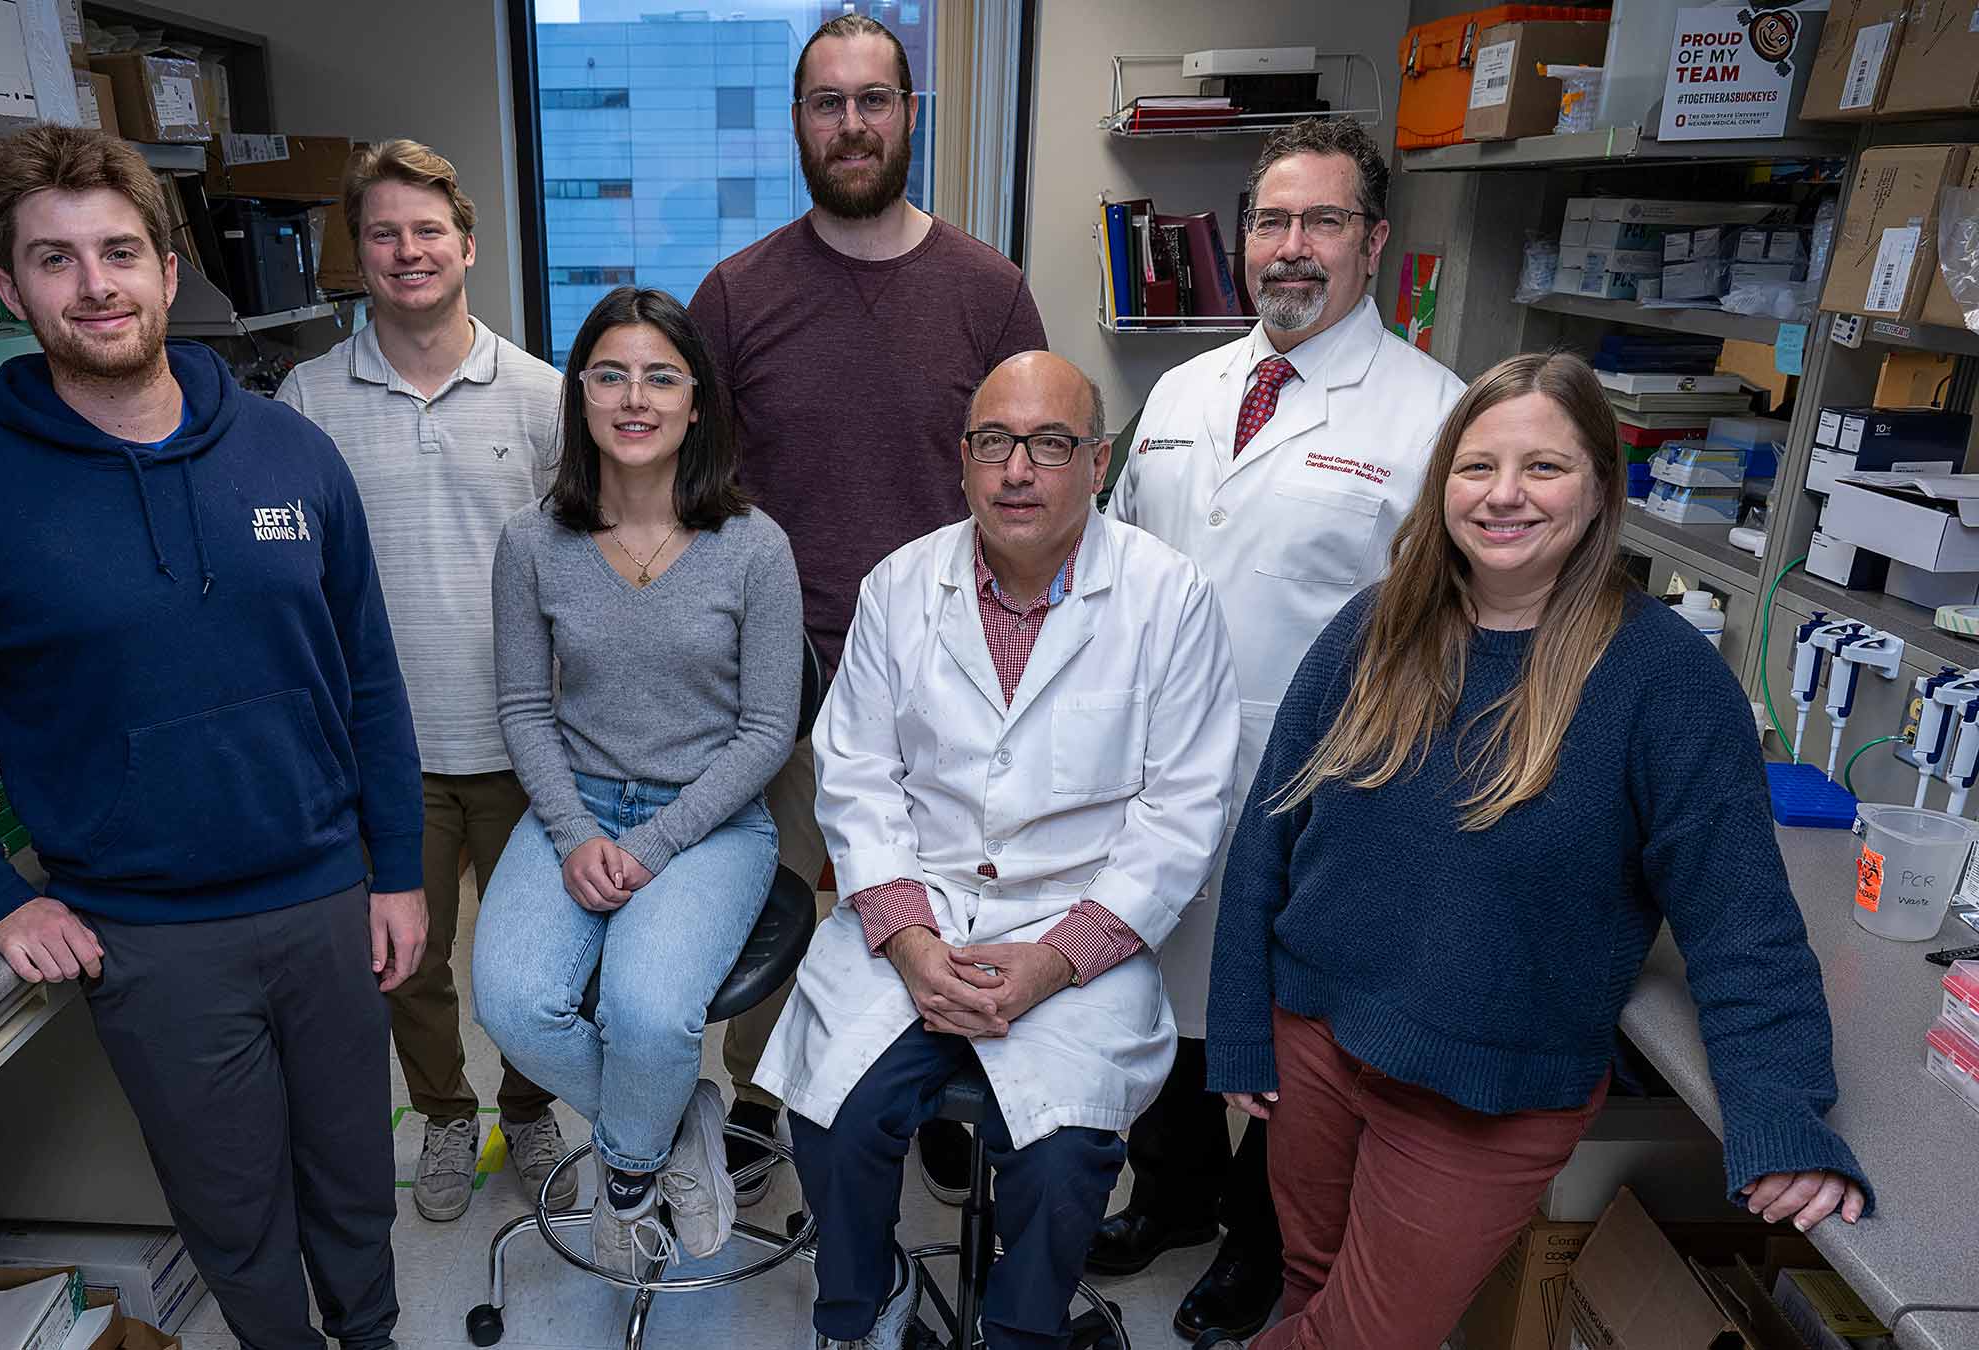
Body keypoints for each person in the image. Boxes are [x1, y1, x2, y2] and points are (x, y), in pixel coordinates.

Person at [0, 126, 421, 1350]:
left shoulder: (290, 453)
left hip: (326, 900)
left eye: (117, 252)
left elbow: (366, 673)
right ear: (9, 288)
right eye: (55, 261)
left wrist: (398, 866)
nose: (95, 285)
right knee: (237, 1211)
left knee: (360, 1182)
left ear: (166, 262)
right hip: (150, 939)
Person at [1198, 351, 1870, 1350]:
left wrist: (1782, 1110)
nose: (1503, 495)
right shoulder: (1375, 628)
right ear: (1443, 487)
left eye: (1544, 468)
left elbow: (1743, 923)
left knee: (1367, 1336)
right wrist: (1243, 1026)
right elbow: (1271, 836)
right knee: (1311, 1283)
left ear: (1601, 488)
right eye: (1477, 467)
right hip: (1316, 1042)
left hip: (1486, 1091)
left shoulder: (1666, 683)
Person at [759, 352, 1241, 1350]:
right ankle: (863, 1305)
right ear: (965, 459)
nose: (1019, 468)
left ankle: (1024, 1330)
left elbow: (1186, 808)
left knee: (1063, 1158)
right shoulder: (901, 586)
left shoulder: (1168, 597)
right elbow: (854, 774)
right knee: (833, 1114)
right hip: (917, 904)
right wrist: (909, 940)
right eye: (995, 443)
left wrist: (1057, 959)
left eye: (1051, 444)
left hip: (1077, 924)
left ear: (1098, 462)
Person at [1098, 115, 1465, 1341]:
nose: (1289, 248)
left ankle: (1256, 1244)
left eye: (1321, 222)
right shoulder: (1180, 391)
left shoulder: (1433, 418)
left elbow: (1446, 639)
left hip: (1320, 786)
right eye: (1270, 221)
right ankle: (1169, 1197)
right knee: (1153, 993)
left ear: (1373, 242)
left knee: (1273, 1036)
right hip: (1153, 773)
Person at [689, 10, 1048, 1204]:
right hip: (780, 681)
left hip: (956, 679)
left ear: (910, 116)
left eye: (874, 100)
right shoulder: (737, 298)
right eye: (827, 102)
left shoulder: (988, 292)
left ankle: (937, 1079)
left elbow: (1033, 477)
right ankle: (759, 1091)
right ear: (798, 122)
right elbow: (691, 493)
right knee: (789, 902)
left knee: (943, 901)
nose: (852, 124)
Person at [472, 286, 803, 1275]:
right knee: (514, 1003)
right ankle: (677, 1116)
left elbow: (767, 730)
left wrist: (653, 846)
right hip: (576, 806)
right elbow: (527, 711)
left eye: (661, 377)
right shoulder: (533, 544)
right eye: (610, 374)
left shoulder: (756, 548)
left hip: (708, 823)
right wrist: (576, 836)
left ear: (696, 403)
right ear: (579, 397)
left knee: (650, 1016)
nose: (635, 397)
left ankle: (627, 1173)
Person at [274, 138, 571, 1224]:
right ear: (358, 254)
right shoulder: (303, 404)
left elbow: (575, 569)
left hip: (527, 739)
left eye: (428, 231)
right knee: (408, 961)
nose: (409, 252)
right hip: (381, 752)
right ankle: (446, 1115)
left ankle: (529, 1107)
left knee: (533, 964)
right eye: (385, 234)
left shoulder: (542, 397)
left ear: (468, 247)